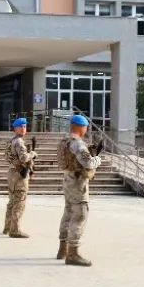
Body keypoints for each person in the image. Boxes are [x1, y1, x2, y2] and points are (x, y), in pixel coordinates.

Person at [56, 114, 101, 267]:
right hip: (77, 183)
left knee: (68, 213)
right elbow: (88, 163)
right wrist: (98, 160)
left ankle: (63, 249)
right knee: (80, 214)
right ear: (81, 127)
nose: (86, 130)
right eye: (86, 127)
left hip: (67, 179)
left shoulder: (64, 141)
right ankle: (73, 253)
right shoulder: (78, 144)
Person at [3, 118, 38, 239]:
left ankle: (7, 227)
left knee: (12, 200)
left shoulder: (11, 141)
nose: (23, 129)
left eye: (24, 126)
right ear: (15, 128)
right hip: (19, 174)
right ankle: (15, 229)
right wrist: (33, 154)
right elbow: (24, 158)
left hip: (12, 172)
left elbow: (7, 156)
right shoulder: (19, 142)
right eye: (21, 126)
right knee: (19, 201)